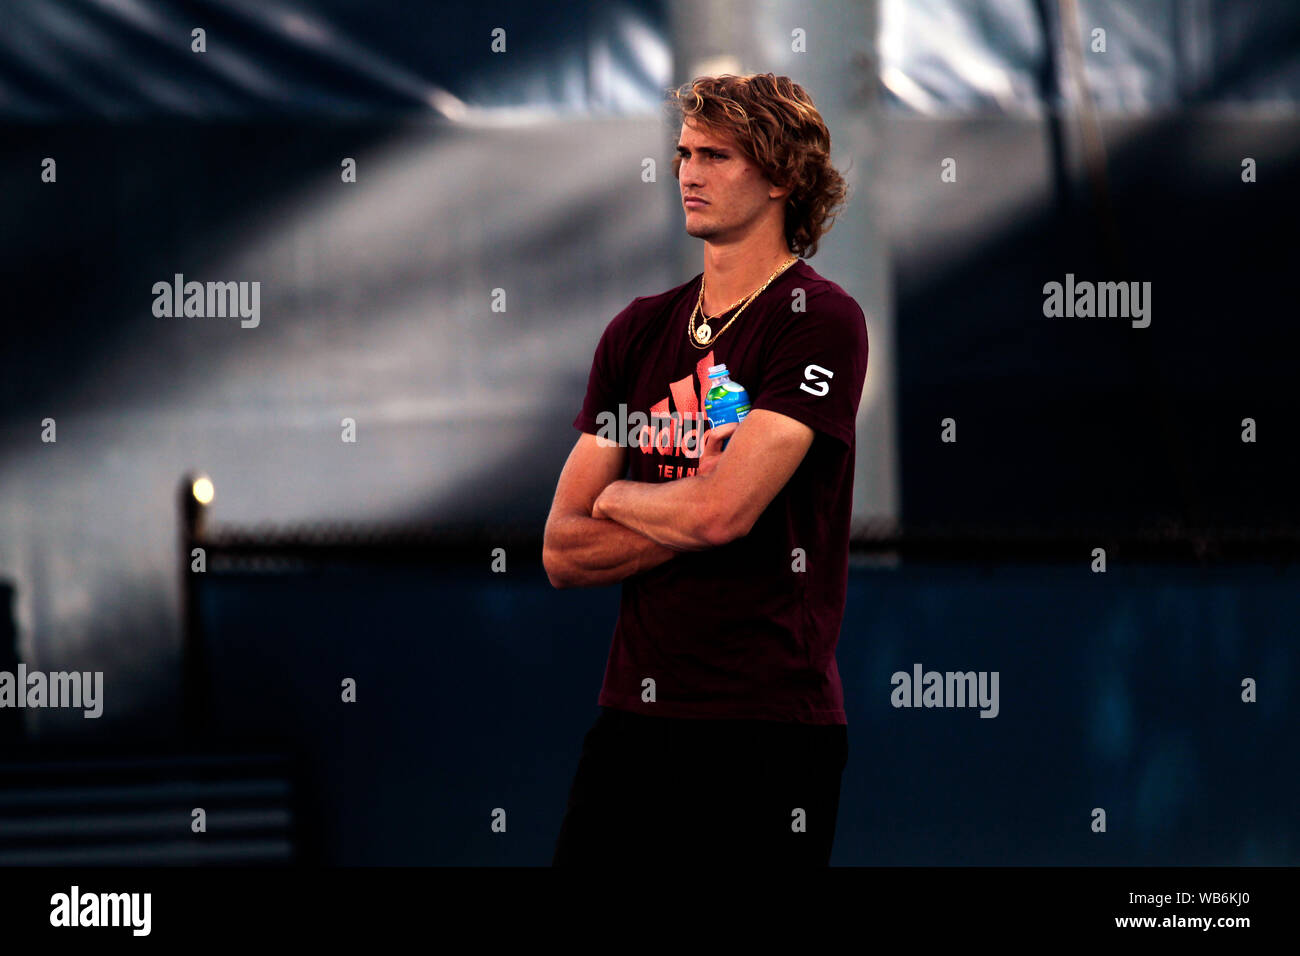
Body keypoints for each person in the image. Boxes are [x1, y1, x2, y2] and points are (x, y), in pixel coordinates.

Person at [543, 72, 868, 866]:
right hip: (633, 723)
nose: (687, 172)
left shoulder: (819, 321)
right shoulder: (638, 330)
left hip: (767, 733)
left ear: (783, 177)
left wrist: (622, 495)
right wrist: (691, 507)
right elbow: (560, 548)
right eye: (685, 152)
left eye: (717, 156)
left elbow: (724, 515)